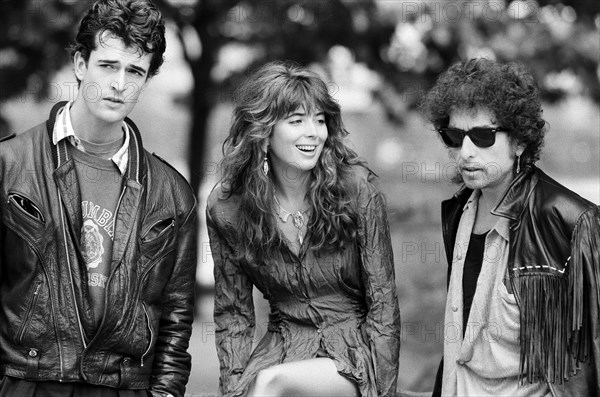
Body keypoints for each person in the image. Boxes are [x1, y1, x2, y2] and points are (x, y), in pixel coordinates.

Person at [0, 1, 198, 396]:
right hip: (27, 381)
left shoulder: (171, 194)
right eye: (108, 66)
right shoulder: (9, 165)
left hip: (121, 386)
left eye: (135, 71)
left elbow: (176, 322)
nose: (119, 83)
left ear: (145, 81)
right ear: (79, 65)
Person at [206, 61, 401, 397]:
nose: (313, 132)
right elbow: (233, 314)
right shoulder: (228, 208)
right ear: (263, 132)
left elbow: (383, 305)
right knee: (258, 384)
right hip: (282, 347)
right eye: (296, 121)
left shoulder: (356, 190)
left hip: (353, 351)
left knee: (270, 385)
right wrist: (232, 388)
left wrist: (382, 389)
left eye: (320, 119)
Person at [421, 58, 599, 396]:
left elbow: (590, 358)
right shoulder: (459, 211)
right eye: (454, 136)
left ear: (519, 141)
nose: (466, 152)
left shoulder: (572, 222)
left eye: (483, 136)